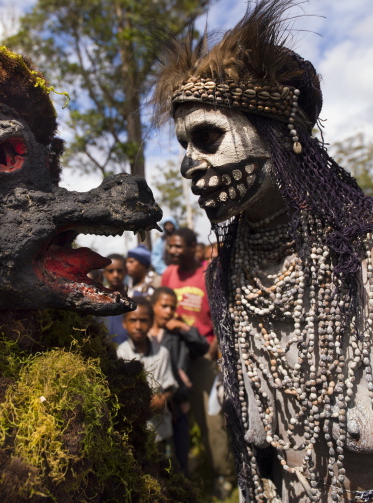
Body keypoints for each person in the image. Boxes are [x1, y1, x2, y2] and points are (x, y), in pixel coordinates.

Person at [152, 0, 373, 500]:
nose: (190, 165)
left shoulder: (360, 251)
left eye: (208, 137)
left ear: (282, 133)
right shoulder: (227, 277)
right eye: (184, 145)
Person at [161, 227, 234, 496]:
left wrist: (212, 350)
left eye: (179, 246)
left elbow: (221, 314)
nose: (173, 251)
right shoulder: (168, 274)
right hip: (174, 354)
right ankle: (183, 469)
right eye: (171, 246)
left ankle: (222, 475)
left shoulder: (209, 274)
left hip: (203, 356)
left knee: (210, 418)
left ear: (194, 247)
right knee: (178, 415)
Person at [150, 286, 209, 473]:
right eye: (164, 306)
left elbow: (202, 348)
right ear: (153, 306)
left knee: (179, 458)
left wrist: (184, 327)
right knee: (156, 458)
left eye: (172, 307)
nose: (168, 311)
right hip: (154, 407)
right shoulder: (144, 334)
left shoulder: (177, 334)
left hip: (178, 406)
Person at [117, 297, 178, 454]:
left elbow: (170, 385)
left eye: (143, 320)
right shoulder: (120, 353)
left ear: (151, 323)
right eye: (133, 320)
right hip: (132, 431)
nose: (138, 326)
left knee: (164, 471)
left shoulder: (162, 352)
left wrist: (163, 398)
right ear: (124, 323)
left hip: (159, 431)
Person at [101, 254, 129, 344]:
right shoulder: (98, 298)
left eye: (119, 271)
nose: (115, 275)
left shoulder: (135, 297)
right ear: (104, 273)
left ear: (126, 271)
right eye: (110, 271)